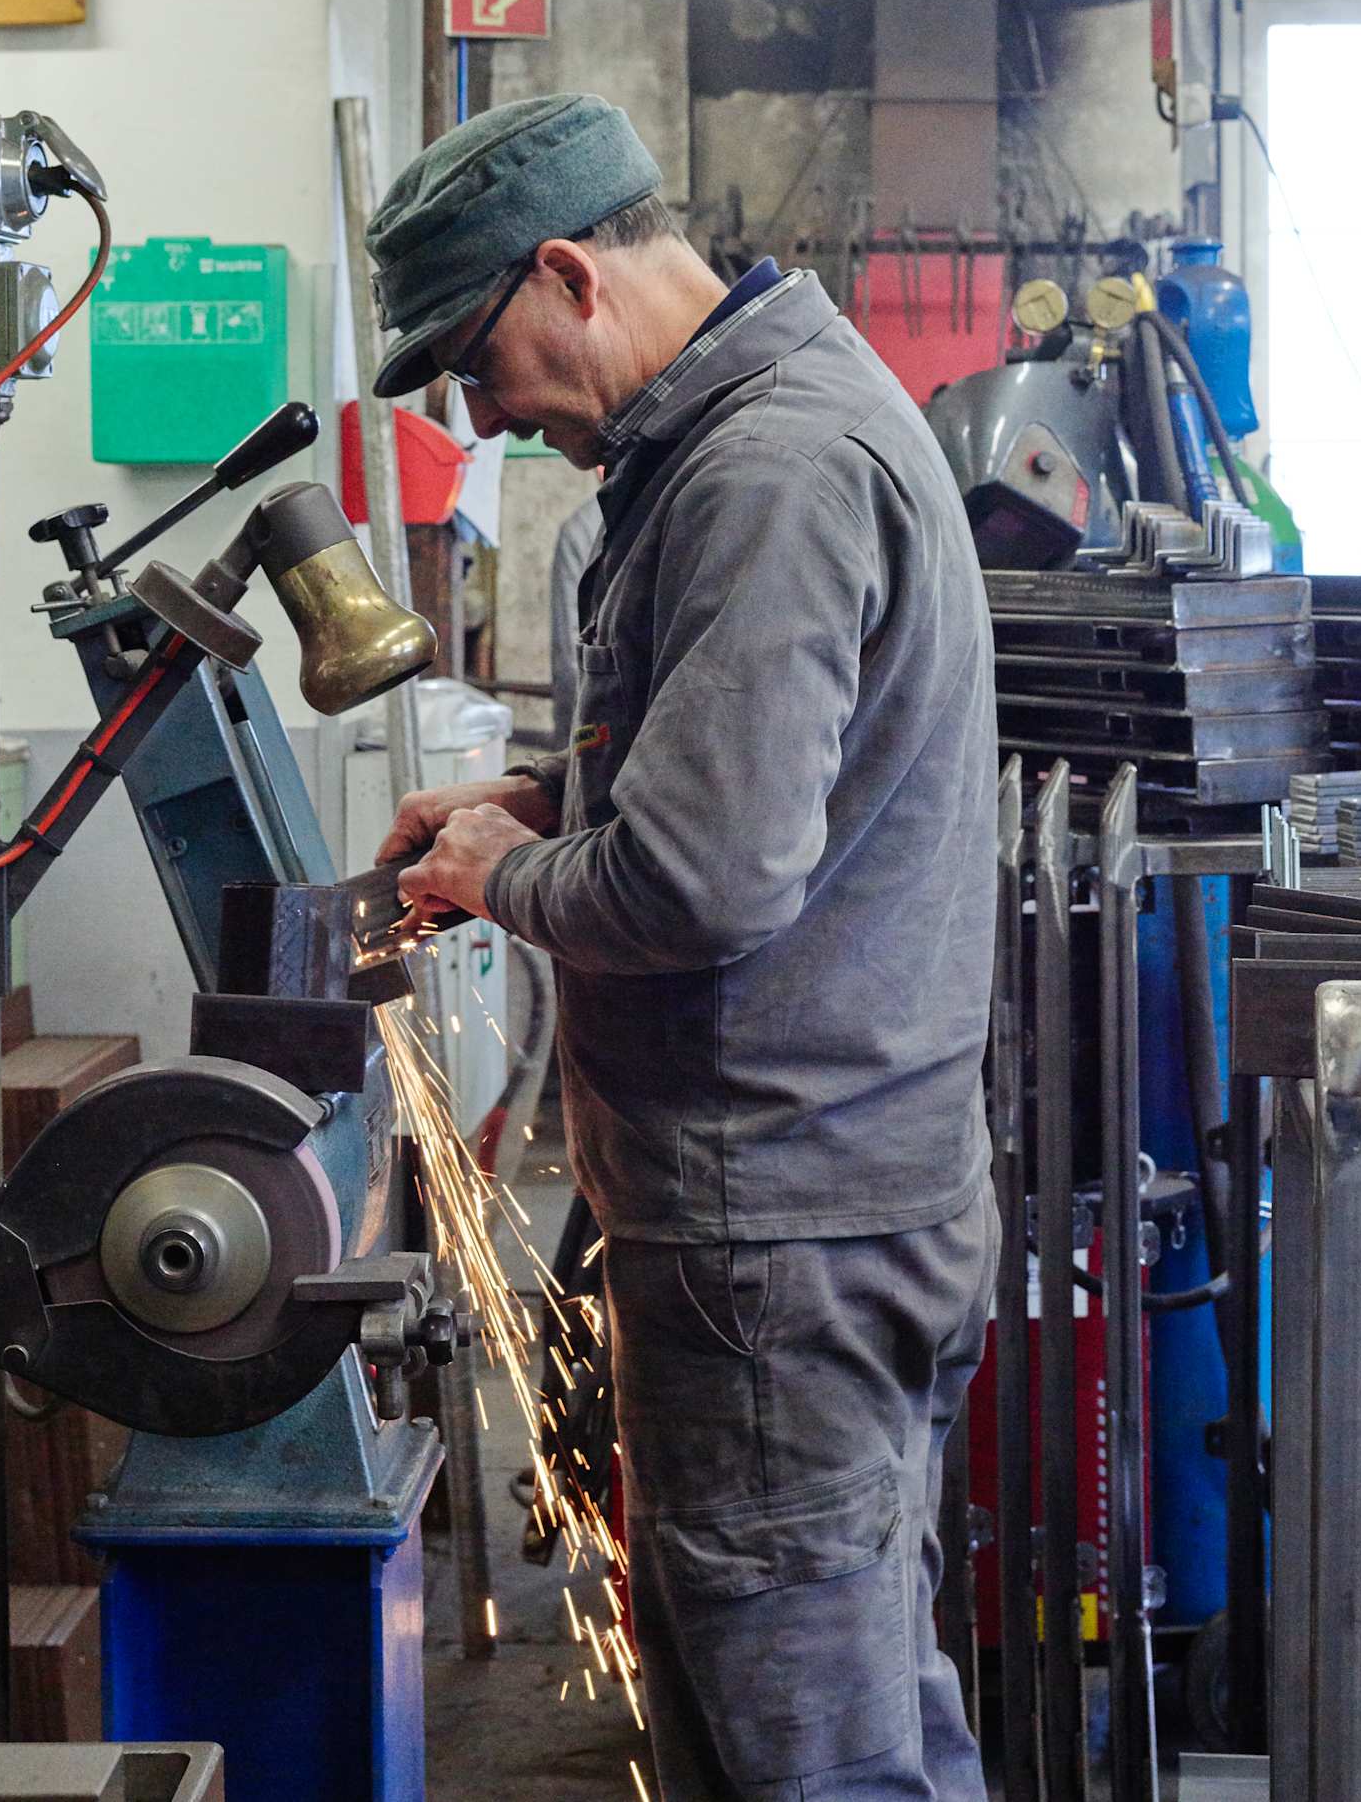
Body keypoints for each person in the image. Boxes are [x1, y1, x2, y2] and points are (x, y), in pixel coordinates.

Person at [367, 94, 1000, 1802]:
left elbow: (707, 883)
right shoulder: (739, 441)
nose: (482, 412)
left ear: (569, 274)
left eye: (476, 361)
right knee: (859, 1708)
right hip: (817, 1209)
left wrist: (506, 875)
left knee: (809, 1756)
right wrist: (546, 788)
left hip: (778, 1230)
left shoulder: (767, 470)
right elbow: (743, 776)